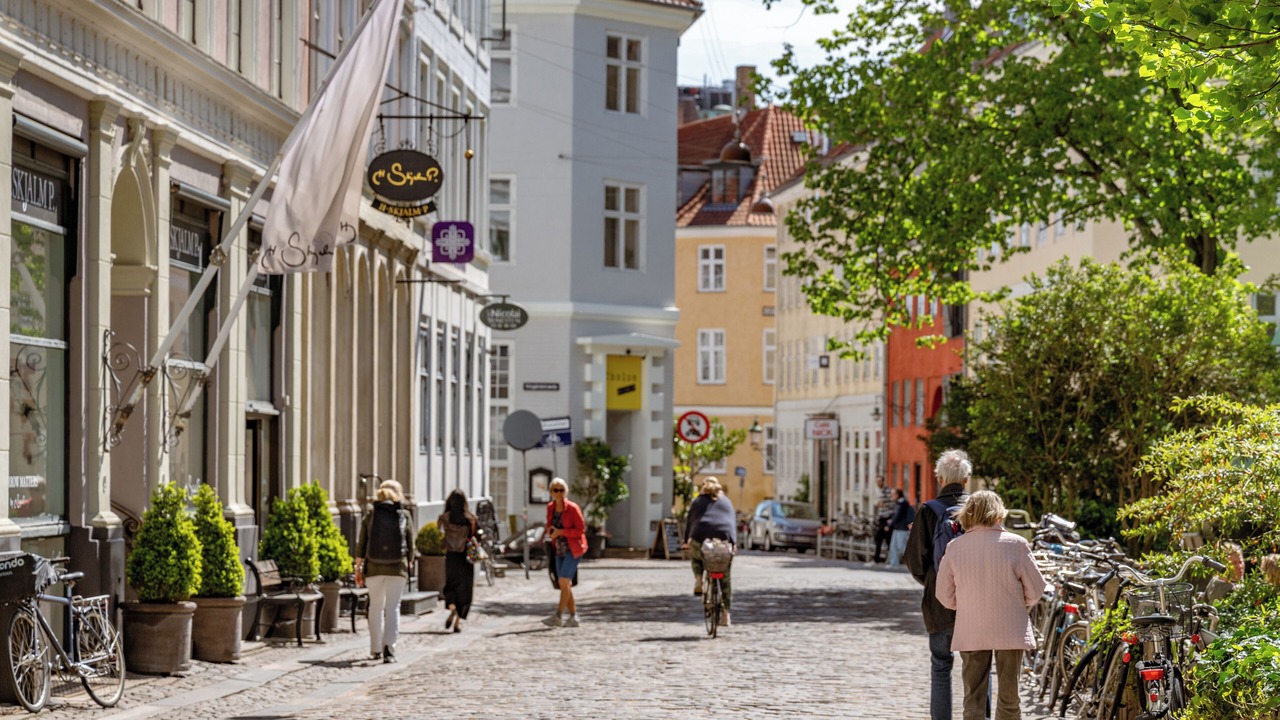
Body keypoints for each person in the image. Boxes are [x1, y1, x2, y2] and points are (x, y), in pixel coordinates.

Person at [936, 490, 1047, 720]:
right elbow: (1036, 590)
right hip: (1010, 627)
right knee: (1009, 698)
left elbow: (944, 595)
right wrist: (1017, 602)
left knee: (973, 698)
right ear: (999, 514)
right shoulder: (1017, 544)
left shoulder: (955, 547)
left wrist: (966, 604)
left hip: (972, 628)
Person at [905, 449, 972, 720]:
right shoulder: (980, 508)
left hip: (939, 600)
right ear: (966, 480)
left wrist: (934, 581)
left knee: (941, 666)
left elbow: (915, 561)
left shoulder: (929, 511)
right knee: (977, 669)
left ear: (940, 479)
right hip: (976, 600)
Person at [355, 479, 415, 663]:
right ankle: (389, 649)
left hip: (374, 568)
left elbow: (361, 544)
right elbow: (411, 545)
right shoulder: (404, 514)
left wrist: (358, 568)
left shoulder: (371, 515)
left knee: (375, 607)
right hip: (397, 568)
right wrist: (409, 563)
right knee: (393, 607)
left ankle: (375, 649)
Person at [682, 477, 736, 626]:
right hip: (724, 538)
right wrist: (734, 543)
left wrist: (687, 540)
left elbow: (691, 521)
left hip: (701, 535)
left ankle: (699, 578)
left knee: (696, 556)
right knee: (725, 577)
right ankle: (726, 614)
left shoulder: (698, 501)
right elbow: (731, 522)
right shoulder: (726, 501)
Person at [542, 477, 587, 628]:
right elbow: (549, 525)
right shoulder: (551, 508)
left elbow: (580, 530)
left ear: (566, 491)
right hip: (558, 549)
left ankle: (558, 615)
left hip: (573, 549)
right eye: (556, 490)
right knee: (564, 584)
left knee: (563, 580)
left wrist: (561, 531)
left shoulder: (573, 508)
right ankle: (574, 617)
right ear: (551, 492)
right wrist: (550, 532)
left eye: (561, 490)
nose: (559, 493)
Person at [438, 489, 477, 633]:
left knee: (450, 586)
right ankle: (458, 622)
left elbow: (439, 535)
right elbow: (476, 537)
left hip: (451, 556)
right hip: (465, 558)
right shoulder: (470, 519)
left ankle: (452, 608)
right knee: (465, 591)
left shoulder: (444, 518)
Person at [886, 489, 914, 568]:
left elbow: (897, 516)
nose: (892, 496)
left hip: (902, 528)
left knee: (901, 546)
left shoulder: (902, 504)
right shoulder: (899, 503)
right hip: (898, 527)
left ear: (898, 494)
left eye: (893, 494)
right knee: (893, 546)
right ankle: (894, 563)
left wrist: (890, 524)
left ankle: (913, 560)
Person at [873, 476, 894, 563]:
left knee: (881, 538)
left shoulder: (887, 490)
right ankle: (888, 558)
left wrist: (884, 504)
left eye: (879, 481)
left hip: (887, 517)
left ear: (883, 481)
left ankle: (879, 559)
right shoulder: (880, 491)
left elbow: (892, 503)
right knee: (884, 539)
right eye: (877, 481)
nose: (878, 483)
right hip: (882, 517)